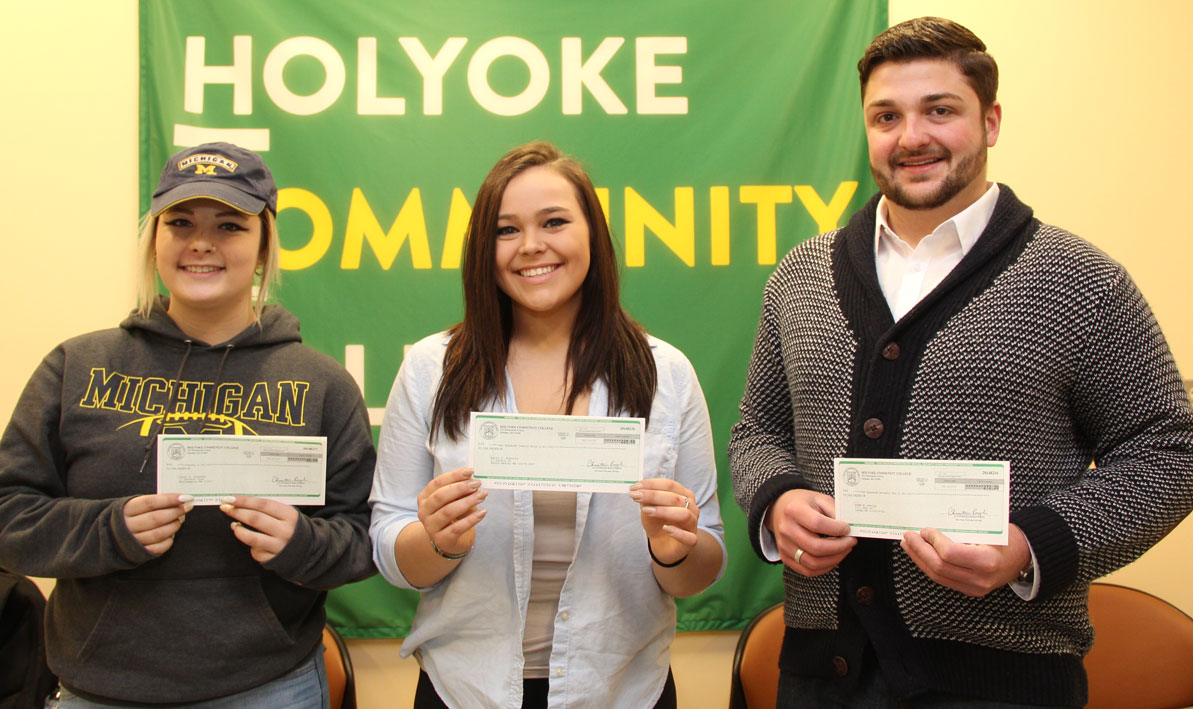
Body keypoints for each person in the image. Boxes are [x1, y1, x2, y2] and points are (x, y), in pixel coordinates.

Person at [729, 16, 1193, 708]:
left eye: (938, 110)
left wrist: (1029, 544)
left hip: (1004, 683)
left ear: (990, 120)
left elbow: (1169, 450)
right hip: (821, 675)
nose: (910, 136)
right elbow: (757, 432)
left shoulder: (1081, 282)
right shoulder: (799, 277)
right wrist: (775, 500)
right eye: (885, 116)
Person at [0, 142, 376, 707]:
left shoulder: (321, 383)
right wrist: (109, 530)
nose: (201, 242)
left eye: (229, 225)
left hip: (269, 687)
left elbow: (365, 536)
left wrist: (300, 544)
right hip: (98, 690)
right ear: (154, 240)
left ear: (264, 245)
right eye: (179, 222)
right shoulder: (75, 366)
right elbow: (9, 516)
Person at [369, 141, 725, 708]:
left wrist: (673, 547)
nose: (531, 246)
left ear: (593, 235)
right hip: (466, 690)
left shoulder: (667, 374)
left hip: (621, 690)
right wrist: (436, 542)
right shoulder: (429, 368)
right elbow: (389, 548)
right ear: (483, 249)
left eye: (554, 222)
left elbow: (701, 566)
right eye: (505, 230)